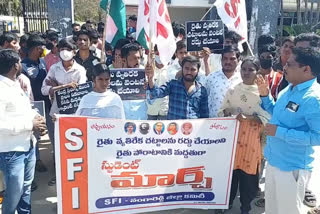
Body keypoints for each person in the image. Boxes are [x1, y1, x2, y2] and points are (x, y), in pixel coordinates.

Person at [256, 47, 320, 214]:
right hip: (274, 162)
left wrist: (280, 133)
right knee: (272, 210)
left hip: (292, 168)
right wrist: (265, 96)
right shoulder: (289, 89)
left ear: (306, 69)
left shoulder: (313, 98)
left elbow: (317, 137)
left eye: (290, 64)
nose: (284, 67)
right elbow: (276, 113)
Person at [217, 57, 270, 214]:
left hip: (252, 142)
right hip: (233, 141)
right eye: (244, 69)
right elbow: (221, 111)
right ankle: (225, 205)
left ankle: (245, 208)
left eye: (251, 69)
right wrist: (228, 112)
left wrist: (250, 118)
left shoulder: (263, 93)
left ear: (257, 72)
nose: (246, 72)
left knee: (248, 179)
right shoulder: (233, 90)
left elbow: (269, 117)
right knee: (231, 177)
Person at [0, 49, 47, 214]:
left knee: (26, 188)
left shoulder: (14, 84)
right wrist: (30, 124)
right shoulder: (1, 89)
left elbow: (25, 109)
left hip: (28, 145)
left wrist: (37, 117)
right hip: (12, 151)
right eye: (19, 62)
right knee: (14, 193)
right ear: (15, 65)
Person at [22, 34, 51, 177]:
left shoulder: (43, 62)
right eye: (42, 48)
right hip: (31, 104)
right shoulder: (23, 65)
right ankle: (36, 160)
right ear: (35, 48)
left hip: (45, 101)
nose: (44, 51)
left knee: (45, 130)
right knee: (33, 133)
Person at [146, 55, 209, 119]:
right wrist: (150, 79)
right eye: (186, 68)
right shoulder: (173, 85)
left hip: (194, 127)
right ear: (182, 68)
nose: (189, 72)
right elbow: (155, 93)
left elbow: (204, 115)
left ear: (198, 71)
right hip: (174, 128)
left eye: (193, 69)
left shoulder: (202, 90)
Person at [205, 46, 242, 118]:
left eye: (232, 59)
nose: (228, 62)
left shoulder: (242, 79)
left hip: (236, 124)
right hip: (213, 124)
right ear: (221, 60)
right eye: (225, 58)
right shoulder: (211, 78)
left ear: (238, 60)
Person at [121, 43, 148, 120]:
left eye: (139, 58)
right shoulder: (115, 76)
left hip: (140, 120)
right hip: (123, 120)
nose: (138, 61)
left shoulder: (145, 73)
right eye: (134, 58)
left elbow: (152, 101)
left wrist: (149, 87)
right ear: (124, 60)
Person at [147, 53, 169, 120]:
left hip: (165, 109)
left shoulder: (169, 70)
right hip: (151, 109)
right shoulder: (149, 70)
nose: (159, 56)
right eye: (157, 54)